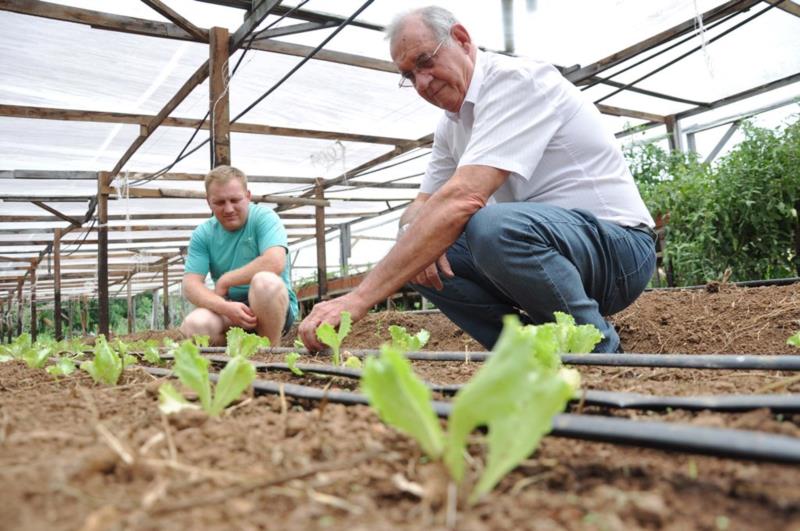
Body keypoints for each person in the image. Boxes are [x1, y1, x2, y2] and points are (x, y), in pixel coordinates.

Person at [299, 6, 656, 353]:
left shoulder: (517, 82)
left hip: (619, 249)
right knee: (416, 254)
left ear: (461, 38)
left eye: (425, 61)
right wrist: (413, 236)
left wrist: (359, 298)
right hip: (553, 253)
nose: (422, 82)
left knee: (490, 226)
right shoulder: (451, 125)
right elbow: (422, 205)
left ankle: (597, 349)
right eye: (409, 75)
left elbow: (464, 197)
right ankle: (524, 351)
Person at [180, 165, 298, 346]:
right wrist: (225, 307)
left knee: (265, 282)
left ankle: (269, 352)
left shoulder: (264, 217)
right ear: (208, 202)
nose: (228, 209)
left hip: (271, 307)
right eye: (219, 202)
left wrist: (226, 280)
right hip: (231, 309)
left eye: (235, 200)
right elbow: (190, 285)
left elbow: (274, 262)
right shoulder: (203, 234)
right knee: (194, 326)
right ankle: (239, 350)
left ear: (248, 196)